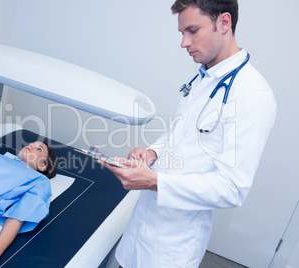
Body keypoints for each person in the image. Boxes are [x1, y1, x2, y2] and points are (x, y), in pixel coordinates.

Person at [99, 0, 277, 267]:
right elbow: (179, 134)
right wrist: (151, 153)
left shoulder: (253, 95)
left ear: (224, 22)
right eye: (182, 33)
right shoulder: (203, 77)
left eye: (192, 30)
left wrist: (154, 181)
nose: (184, 42)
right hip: (146, 219)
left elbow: (232, 189)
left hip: (175, 242)